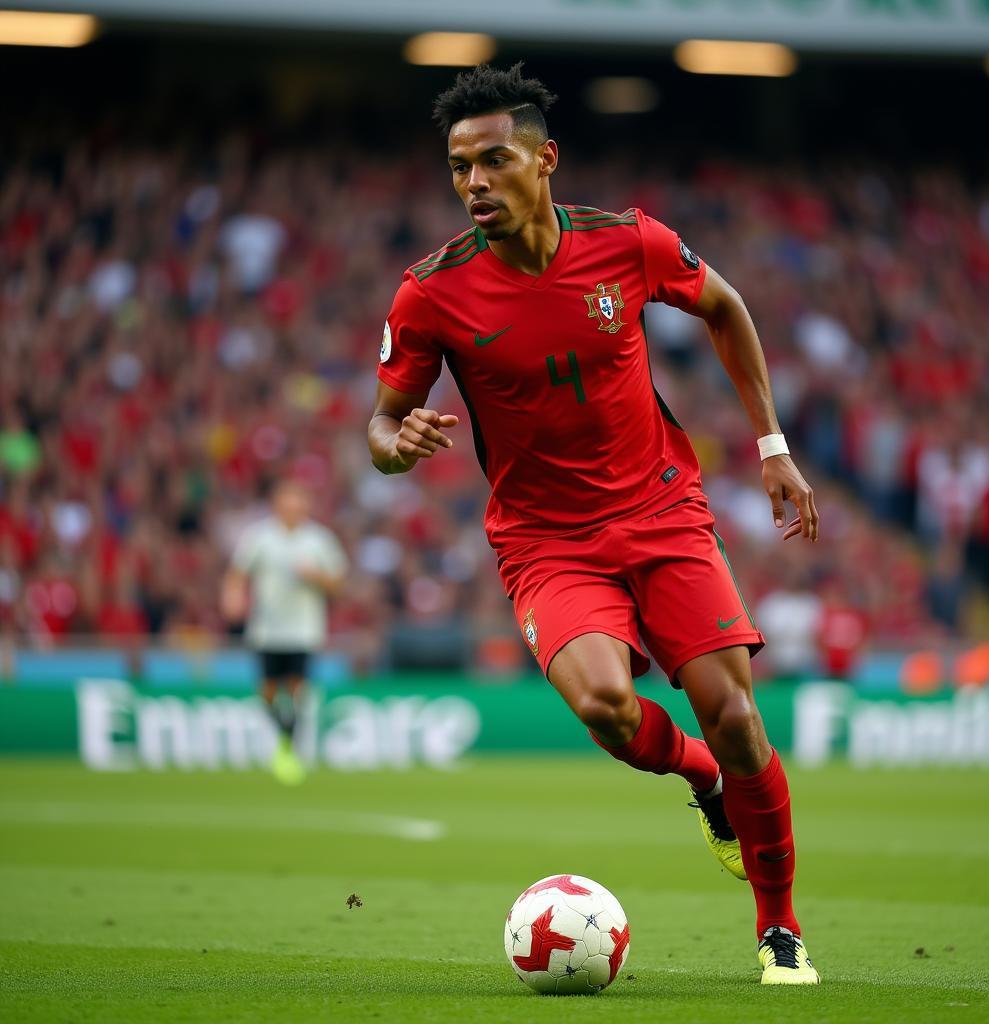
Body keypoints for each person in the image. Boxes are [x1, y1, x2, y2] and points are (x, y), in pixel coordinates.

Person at [368, 64, 820, 984]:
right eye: (459, 168)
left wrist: (771, 443)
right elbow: (378, 426)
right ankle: (701, 779)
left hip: (661, 507)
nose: (475, 184)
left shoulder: (628, 243)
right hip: (545, 539)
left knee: (737, 717)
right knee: (609, 709)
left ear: (546, 160)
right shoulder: (431, 292)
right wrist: (396, 437)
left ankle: (780, 930)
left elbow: (727, 308)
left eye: (494, 161)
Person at [221, 479, 346, 784]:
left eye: (298, 502)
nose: (292, 508)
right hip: (266, 629)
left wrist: (317, 576)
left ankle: (286, 750)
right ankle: (284, 742)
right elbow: (237, 574)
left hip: (303, 630)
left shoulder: (319, 540)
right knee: (267, 694)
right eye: (287, 502)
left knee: (296, 692)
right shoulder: (260, 537)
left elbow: (338, 583)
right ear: (277, 505)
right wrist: (233, 596)